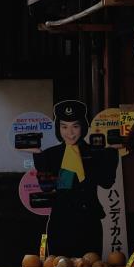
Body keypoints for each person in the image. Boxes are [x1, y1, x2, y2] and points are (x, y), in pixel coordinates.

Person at [32, 100, 118, 258]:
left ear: (83, 126)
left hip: (89, 222)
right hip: (60, 222)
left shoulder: (96, 152)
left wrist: (112, 152)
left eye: (75, 126)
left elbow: (106, 181)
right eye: (64, 126)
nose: (70, 133)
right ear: (58, 127)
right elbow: (46, 186)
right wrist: (38, 154)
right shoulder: (51, 155)